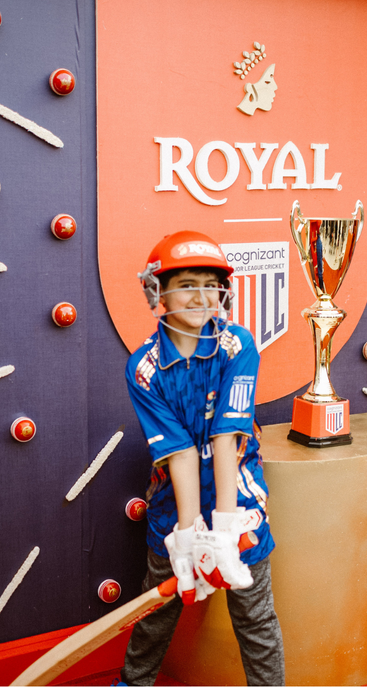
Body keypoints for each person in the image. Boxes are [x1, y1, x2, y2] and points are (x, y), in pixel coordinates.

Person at [119, 232, 284, 686]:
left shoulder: (237, 345)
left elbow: (227, 435)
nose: (201, 295)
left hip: (238, 495)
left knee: (254, 616)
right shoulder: (144, 367)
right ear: (159, 291)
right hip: (175, 501)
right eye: (187, 282)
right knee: (157, 613)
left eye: (211, 284)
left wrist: (227, 527)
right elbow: (181, 452)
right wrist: (189, 533)